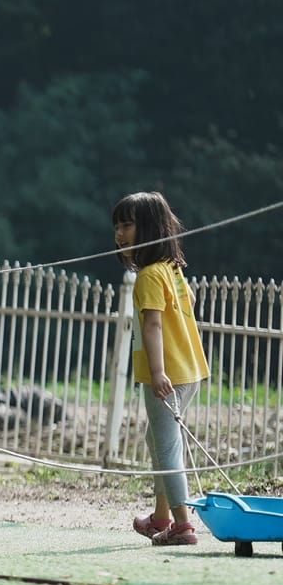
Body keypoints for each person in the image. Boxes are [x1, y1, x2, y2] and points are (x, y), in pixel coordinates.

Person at [114, 191, 211, 546]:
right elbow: (191, 302)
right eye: (117, 227)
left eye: (127, 225)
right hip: (190, 371)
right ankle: (160, 516)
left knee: (167, 447)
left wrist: (157, 373)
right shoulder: (172, 271)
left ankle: (182, 525)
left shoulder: (149, 277)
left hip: (167, 375)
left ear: (150, 228)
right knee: (156, 440)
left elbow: (152, 325)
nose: (119, 234)